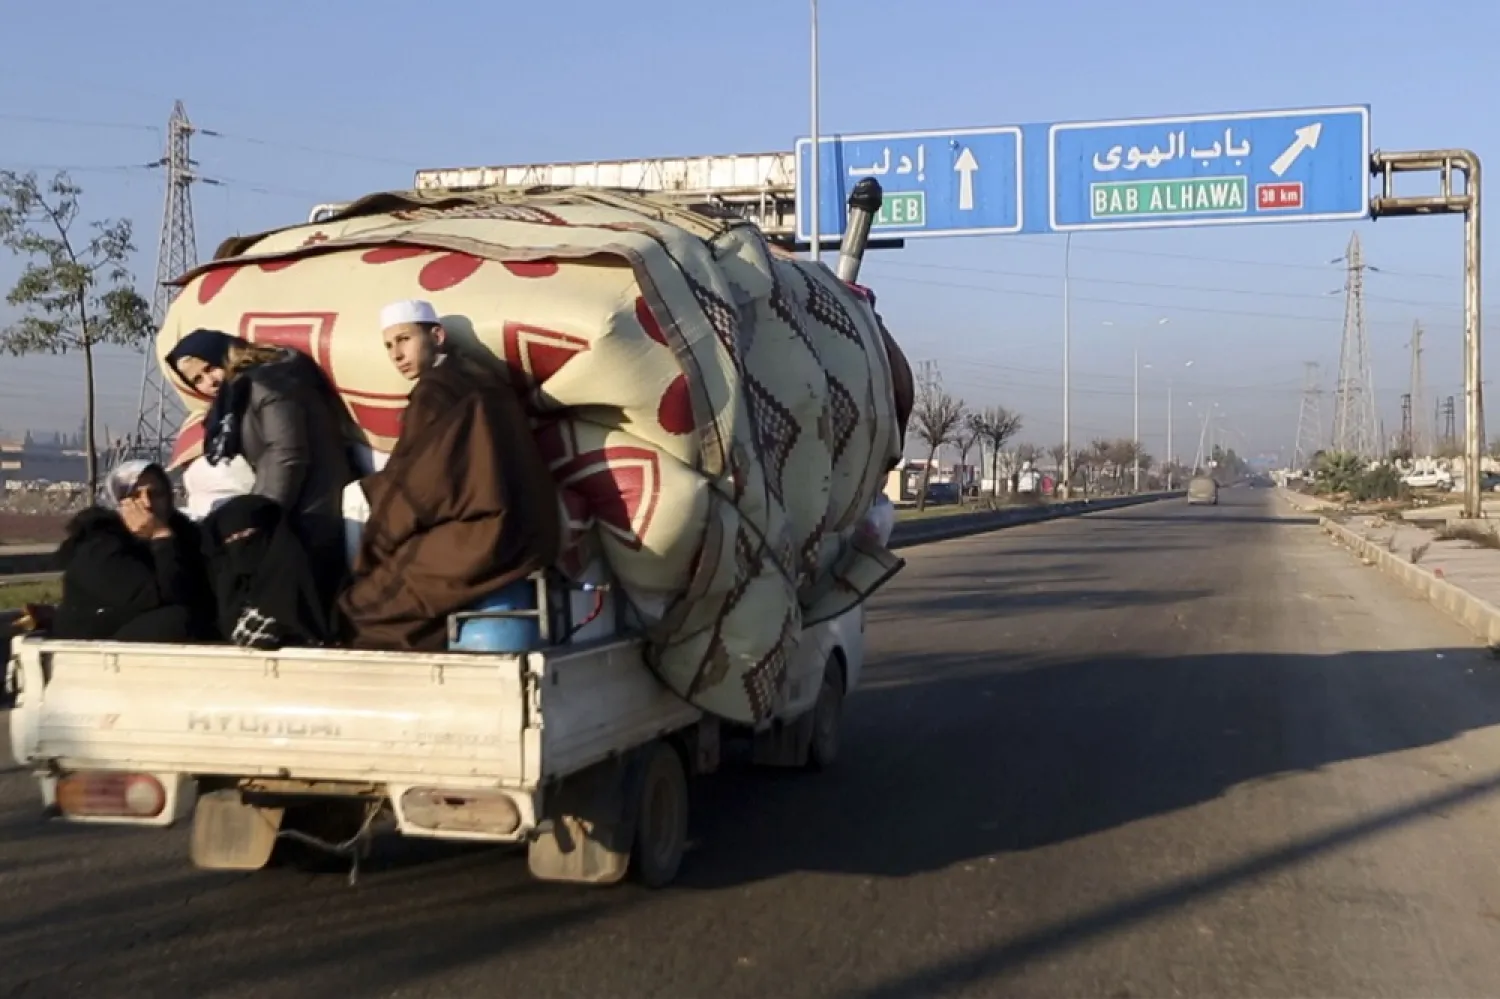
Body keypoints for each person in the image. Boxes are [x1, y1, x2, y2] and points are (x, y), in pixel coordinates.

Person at [338, 299, 562, 651]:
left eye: (404, 339)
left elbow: (421, 482)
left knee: (363, 606)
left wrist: (377, 527)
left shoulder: (436, 391)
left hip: (485, 532)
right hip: (530, 530)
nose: (396, 354)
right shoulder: (485, 378)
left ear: (437, 336)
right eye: (388, 345)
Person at [164, 329, 354, 608]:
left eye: (210, 368)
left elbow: (287, 454)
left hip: (311, 511)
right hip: (296, 510)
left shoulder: (268, 382)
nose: (210, 382)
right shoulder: (239, 394)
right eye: (198, 380)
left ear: (226, 353)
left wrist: (261, 519)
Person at [51, 460, 216, 642]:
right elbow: (163, 595)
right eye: (135, 495)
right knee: (177, 621)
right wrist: (160, 537)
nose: (147, 503)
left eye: (156, 494)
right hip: (99, 641)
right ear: (117, 501)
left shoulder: (185, 533)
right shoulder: (98, 545)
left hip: (147, 638)